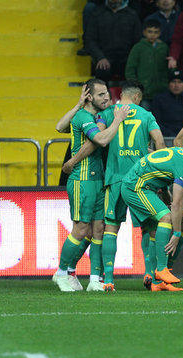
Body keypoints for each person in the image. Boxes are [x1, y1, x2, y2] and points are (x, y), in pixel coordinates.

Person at [63, 80, 166, 291]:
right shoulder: (146, 115)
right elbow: (161, 144)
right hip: (140, 180)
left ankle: (107, 279)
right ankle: (151, 275)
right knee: (150, 227)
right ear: (137, 97)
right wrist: (160, 176)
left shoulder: (107, 113)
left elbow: (96, 140)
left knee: (109, 228)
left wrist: (73, 161)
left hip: (114, 179)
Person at [52, 79, 130, 292]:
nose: (107, 98)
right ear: (89, 97)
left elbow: (60, 127)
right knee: (80, 229)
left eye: (107, 93)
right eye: (101, 94)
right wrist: (118, 120)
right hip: (82, 179)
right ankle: (61, 273)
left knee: (98, 229)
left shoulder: (93, 116)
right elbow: (101, 140)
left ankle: (94, 280)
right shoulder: (84, 117)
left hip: (98, 180)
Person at [120, 147, 183, 291]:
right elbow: (177, 203)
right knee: (166, 217)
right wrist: (176, 233)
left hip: (144, 186)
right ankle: (161, 269)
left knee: (155, 232)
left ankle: (157, 283)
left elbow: (162, 170)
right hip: (135, 187)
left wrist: (165, 194)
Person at [85, 0, 141, 82]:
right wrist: (100, 57)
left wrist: (132, 59)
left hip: (127, 57)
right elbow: (90, 40)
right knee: (101, 69)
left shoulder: (132, 15)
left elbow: (138, 40)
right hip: (105, 56)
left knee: (135, 71)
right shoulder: (97, 14)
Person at [125, 19, 169, 108]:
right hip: (144, 92)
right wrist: (136, 87)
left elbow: (168, 68)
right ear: (144, 32)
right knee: (145, 113)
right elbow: (130, 69)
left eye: (156, 32)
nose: (152, 35)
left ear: (160, 33)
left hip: (162, 90)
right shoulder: (138, 47)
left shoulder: (164, 48)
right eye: (150, 32)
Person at [152, 69, 183, 137]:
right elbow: (155, 122)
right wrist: (169, 134)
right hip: (165, 137)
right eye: (173, 82)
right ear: (168, 84)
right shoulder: (159, 100)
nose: (176, 85)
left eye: (180, 82)